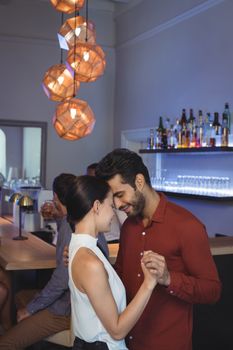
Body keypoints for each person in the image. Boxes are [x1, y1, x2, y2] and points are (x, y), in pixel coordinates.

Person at [95, 148, 222, 350]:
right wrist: (90, 262)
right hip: (127, 341)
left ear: (139, 181)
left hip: (167, 343)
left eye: (120, 195)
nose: (117, 205)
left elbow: (212, 291)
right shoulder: (129, 227)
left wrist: (169, 279)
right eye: (113, 199)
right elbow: (120, 276)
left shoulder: (187, 226)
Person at [0, 173, 108, 349]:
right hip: (72, 305)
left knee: (7, 341)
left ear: (59, 198)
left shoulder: (71, 228)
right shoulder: (77, 221)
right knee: (20, 296)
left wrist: (31, 309)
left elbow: (61, 280)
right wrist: (58, 217)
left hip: (66, 311)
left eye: (54, 197)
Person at [66, 175, 158, 350]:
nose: (113, 213)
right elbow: (116, 331)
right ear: (97, 206)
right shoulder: (89, 262)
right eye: (110, 205)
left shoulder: (80, 247)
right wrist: (149, 283)